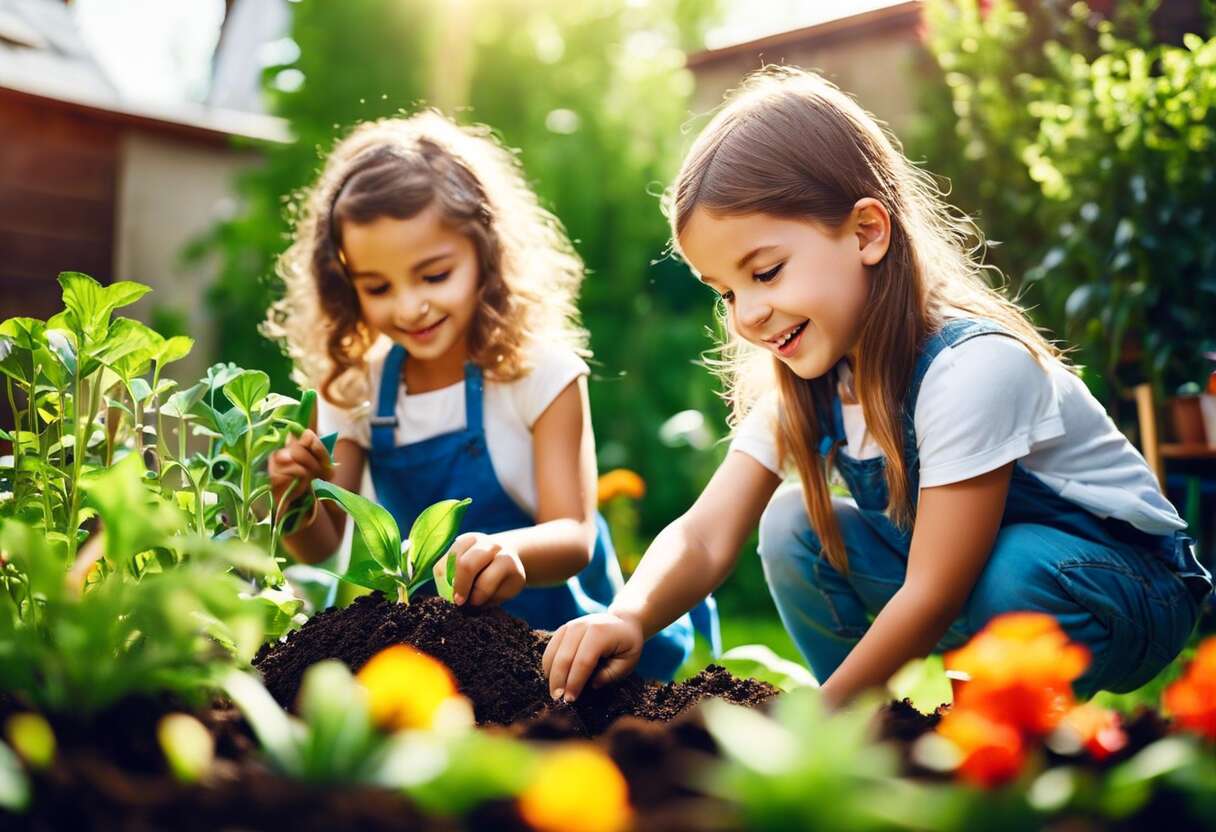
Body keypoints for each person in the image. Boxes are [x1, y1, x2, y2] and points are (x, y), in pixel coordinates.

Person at [542, 67, 1210, 706]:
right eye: (725, 292)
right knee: (791, 524)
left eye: (766, 272)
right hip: (973, 590)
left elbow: (931, 595)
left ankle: (985, 732)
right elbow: (705, 535)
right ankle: (872, 731)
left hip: (1124, 589)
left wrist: (812, 723)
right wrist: (627, 615)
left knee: (1013, 564)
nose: (746, 314)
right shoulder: (812, 383)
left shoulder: (971, 369)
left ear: (866, 232)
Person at [266, 111, 715, 679]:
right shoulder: (357, 386)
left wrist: (512, 554)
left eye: (433, 275)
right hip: (437, 655)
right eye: (378, 287)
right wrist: (296, 498)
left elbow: (573, 534)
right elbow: (325, 549)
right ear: (345, 284)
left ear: (486, 252)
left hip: (558, 644)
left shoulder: (539, 373)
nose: (409, 306)